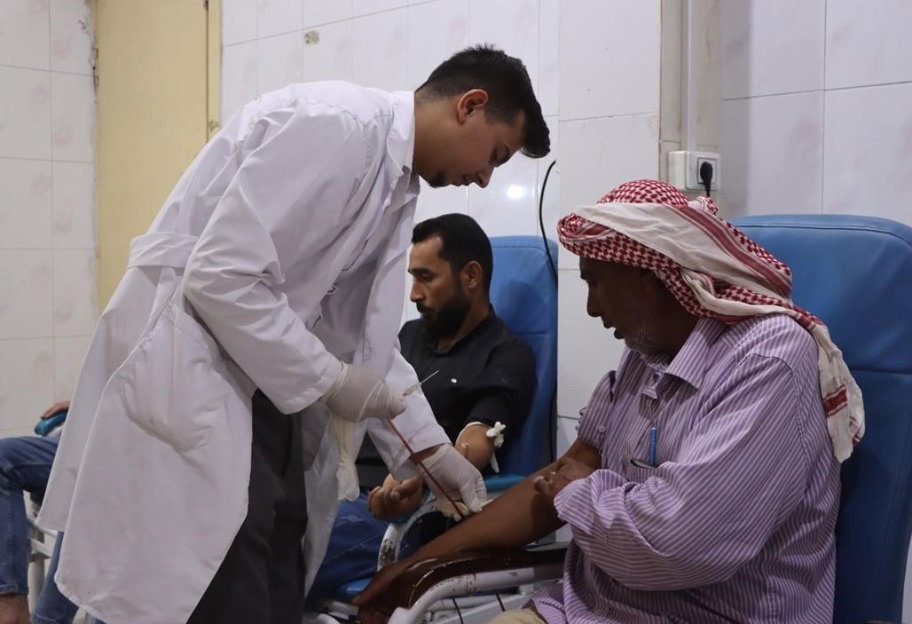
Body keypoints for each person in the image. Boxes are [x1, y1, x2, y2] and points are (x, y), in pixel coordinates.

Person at [38, 45, 550, 624]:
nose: (483, 178)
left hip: (260, 386)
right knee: (226, 581)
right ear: (471, 106)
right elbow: (220, 276)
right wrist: (330, 379)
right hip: (206, 372)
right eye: (495, 155)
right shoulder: (338, 128)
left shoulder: (392, 182)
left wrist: (432, 452)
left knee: (278, 557)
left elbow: (363, 341)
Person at [354, 179, 864, 624]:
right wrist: (415, 566)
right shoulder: (645, 356)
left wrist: (579, 492)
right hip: (582, 610)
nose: (593, 309)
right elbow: (556, 478)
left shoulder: (767, 360)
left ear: (653, 278)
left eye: (597, 285)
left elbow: (677, 543)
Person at [306, 213, 536, 601]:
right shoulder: (406, 338)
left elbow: (478, 440)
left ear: (472, 276)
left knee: (271, 557)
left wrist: (423, 474)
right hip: (339, 487)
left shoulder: (504, 354)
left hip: (405, 520)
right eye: (411, 276)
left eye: (426, 277)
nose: (413, 294)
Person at [0, 401, 78, 624]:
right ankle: (11, 607)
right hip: (86, 438)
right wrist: (83, 401)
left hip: (131, 448)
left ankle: (47, 620)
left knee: (86, 493)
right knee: (3, 458)